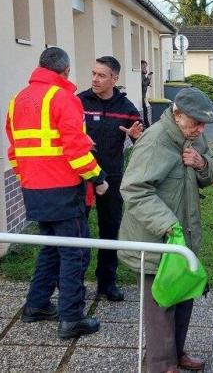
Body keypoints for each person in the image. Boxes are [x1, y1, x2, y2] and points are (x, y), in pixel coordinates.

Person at [6, 47, 107, 338]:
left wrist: (27, 178)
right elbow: (75, 149)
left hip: (33, 188)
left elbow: (15, 150)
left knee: (50, 248)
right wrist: (97, 176)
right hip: (63, 189)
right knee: (73, 253)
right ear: (65, 71)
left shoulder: (17, 100)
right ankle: (71, 318)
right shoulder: (63, 98)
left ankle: (36, 305)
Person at [118, 87, 213, 373]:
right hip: (156, 240)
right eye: (195, 123)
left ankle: (176, 353)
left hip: (182, 239)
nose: (200, 130)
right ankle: (162, 365)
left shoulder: (193, 137)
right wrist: (168, 225)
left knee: (183, 295)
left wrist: (201, 163)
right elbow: (134, 190)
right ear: (177, 115)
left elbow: (211, 173)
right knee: (161, 305)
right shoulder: (155, 141)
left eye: (204, 124)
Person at [78, 56, 143, 301]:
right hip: (83, 176)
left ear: (114, 79)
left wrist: (137, 135)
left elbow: (142, 140)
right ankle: (76, 284)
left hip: (112, 177)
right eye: (93, 73)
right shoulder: (80, 102)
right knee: (79, 230)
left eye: (101, 75)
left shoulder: (126, 107)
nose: (95, 79)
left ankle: (107, 282)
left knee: (110, 229)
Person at [140, 60, 154, 127]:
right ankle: (147, 126)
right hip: (141, 96)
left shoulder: (143, 75)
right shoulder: (141, 75)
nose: (145, 68)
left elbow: (145, 83)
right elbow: (144, 84)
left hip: (143, 96)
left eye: (146, 66)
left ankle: (147, 126)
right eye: (144, 66)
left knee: (145, 112)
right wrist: (148, 78)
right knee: (145, 112)